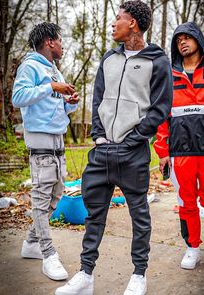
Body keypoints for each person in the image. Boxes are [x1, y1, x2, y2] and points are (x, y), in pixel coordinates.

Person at [55, 1, 173, 295]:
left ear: (132, 23)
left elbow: (161, 108)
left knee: (139, 214)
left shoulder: (157, 61)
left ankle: (139, 274)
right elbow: (98, 99)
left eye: (117, 19)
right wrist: (97, 136)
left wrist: (135, 139)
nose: (112, 24)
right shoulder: (108, 58)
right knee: (93, 214)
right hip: (102, 151)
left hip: (133, 153)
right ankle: (85, 275)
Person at [154, 22, 204, 274]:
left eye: (188, 38)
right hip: (180, 153)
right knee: (186, 204)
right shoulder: (168, 75)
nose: (183, 42)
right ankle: (193, 247)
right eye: (178, 40)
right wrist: (163, 151)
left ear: (199, 40)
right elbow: (162, 117)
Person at [12, 22, 80, 281]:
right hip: (40, 144)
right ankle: (48, 253)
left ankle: (31, 242)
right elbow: (18, 97)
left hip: (58, 144)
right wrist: (52, 88)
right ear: (50, 41)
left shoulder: (55, 71)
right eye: (60, 40)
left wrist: (70, 102)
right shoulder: (30, 66)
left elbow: (59, 107)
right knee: (41, 200)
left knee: (57, 195)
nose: (62, 45)